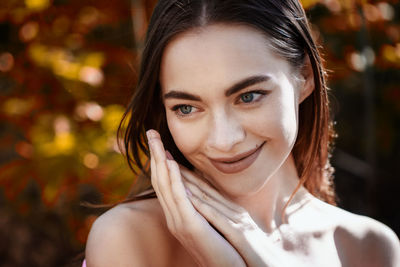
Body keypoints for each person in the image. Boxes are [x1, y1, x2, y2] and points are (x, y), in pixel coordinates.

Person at [84, 0, 400, 266]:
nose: (224, 140)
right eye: (186, 108)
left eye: (247, 96)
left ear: (303, 76)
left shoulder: (367, 247)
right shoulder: (130, 237)